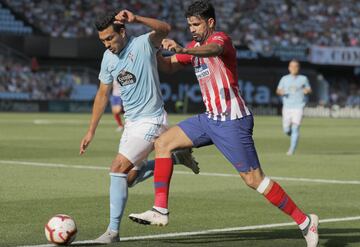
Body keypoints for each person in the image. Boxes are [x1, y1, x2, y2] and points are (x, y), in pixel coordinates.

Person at [128, 1, 319, 246]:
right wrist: (155, 49)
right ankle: (160, 210)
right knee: (163, 143)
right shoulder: (193, 47)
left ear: (210, 22)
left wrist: (180, 49)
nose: (192, 29)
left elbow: (213, 51)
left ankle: (305, 221)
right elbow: (168, 67)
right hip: (211, 119)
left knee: (254, 180)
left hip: (233, 121)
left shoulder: (221, 40)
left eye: (196, 24)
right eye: (189, 25)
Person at [79, 10, 198, 244]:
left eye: (110, 38)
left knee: (117, 169)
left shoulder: (144, 43)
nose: (107, 44)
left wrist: (138, 19)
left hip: (152, 119)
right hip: (131, 123)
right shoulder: (108, 58)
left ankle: (112, 232)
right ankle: (176, 158)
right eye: (103, 41)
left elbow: (165, 29)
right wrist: (91, 130)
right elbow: (102, 94)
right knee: (129, 178)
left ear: (122, 31)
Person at [276, 60, 312, 155]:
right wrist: (281, 92)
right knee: (286, 130)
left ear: (298, 68)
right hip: (287, 107)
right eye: (292, 66)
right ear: (289, 68)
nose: (294, 68)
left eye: (296, 66)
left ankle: (291, 150)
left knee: (295, 128)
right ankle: (293, 136)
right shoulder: (284, 79)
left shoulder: (303, 79)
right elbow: (278, 90)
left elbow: (309, 89)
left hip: (298, 107)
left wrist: (306, 91)